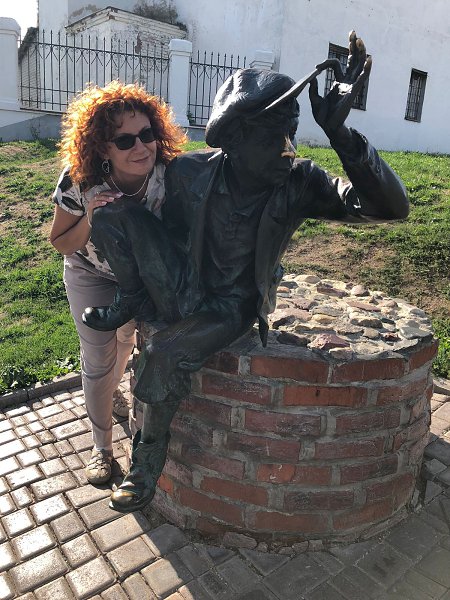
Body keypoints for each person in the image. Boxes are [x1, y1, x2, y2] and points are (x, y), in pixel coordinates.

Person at [82, 32, 409, 511]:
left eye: (292, 132)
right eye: (274, 135)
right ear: (234, 139)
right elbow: (159, 238)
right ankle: (129, 299)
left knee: (164, 349)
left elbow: (389, 208)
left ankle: (145, 463)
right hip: (183, 284)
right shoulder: (189, 173)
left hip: (230, 307)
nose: (288, 147)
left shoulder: (300, 181)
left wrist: (340, 134)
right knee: (113, 214)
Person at [49, 81, 186, 484]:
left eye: (147, 134)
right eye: (124, 141)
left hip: (137, 279)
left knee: (125, 342)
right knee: (97, 360)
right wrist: (90, 218)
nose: (140, 147)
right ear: (102, 148)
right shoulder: (80, 180)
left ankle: (113, 393)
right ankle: (101, 448)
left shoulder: (169, 175)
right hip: (89, 272)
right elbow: (61, 242)